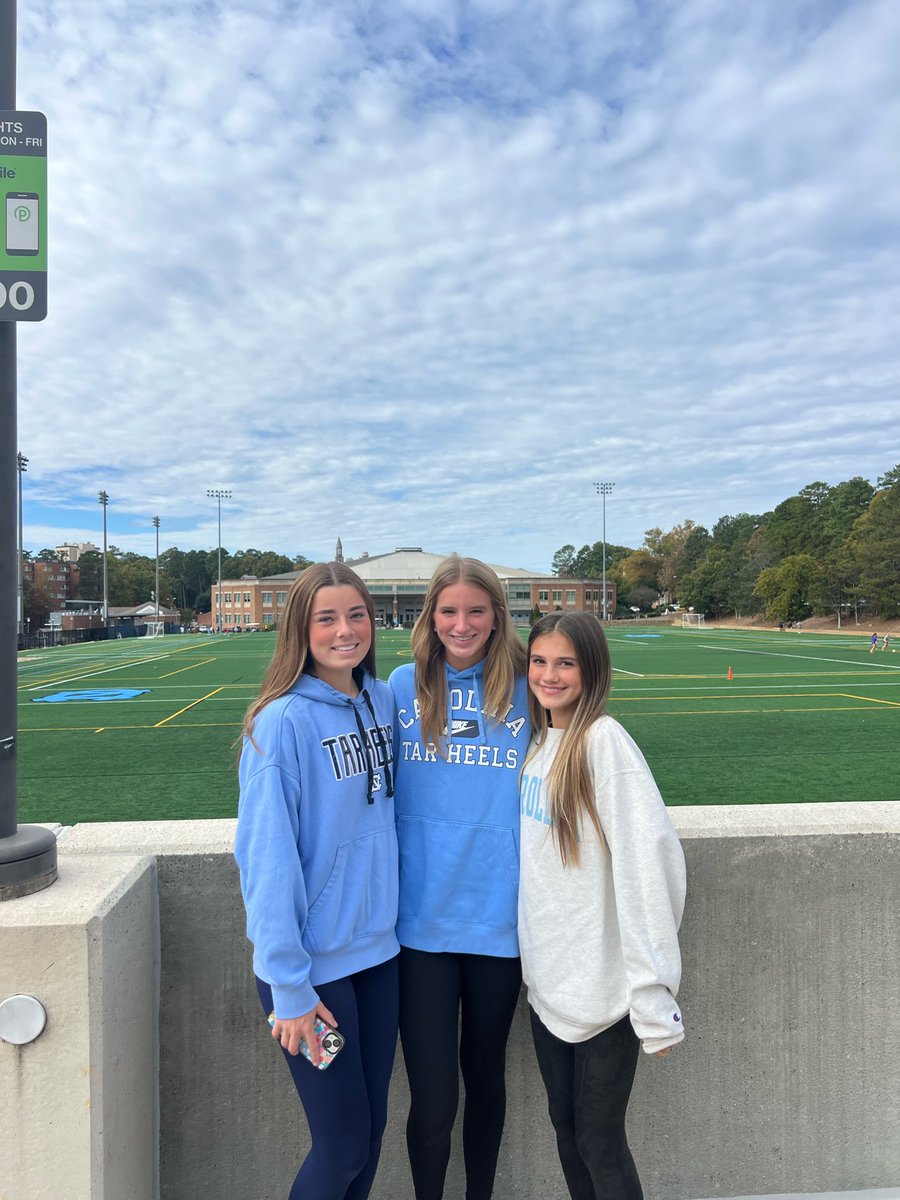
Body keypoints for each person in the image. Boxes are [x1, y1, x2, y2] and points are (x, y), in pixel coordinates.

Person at [234, 562, 399, 1200]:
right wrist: (289, 986)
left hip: (380, 956)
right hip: (311, 971)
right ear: (300, 630)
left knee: (372, 1131)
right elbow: (265, 858)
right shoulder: (281, 723)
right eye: (325, 618)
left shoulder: (380, 699)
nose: (344, 630)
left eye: (355, 614)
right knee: (341, 1144)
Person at [518, 612, 686, 1200]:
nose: (549, 674)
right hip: (549, 984)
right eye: (540, 661)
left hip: (607, 991)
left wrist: (652, 990)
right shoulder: (540, 742)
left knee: (599, 1138)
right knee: (566, 1130)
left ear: (591, 671)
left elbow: (650, 864)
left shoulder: (603, 743)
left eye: (565, 662)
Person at [390, 555, 530, 1200]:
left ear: (498, 616)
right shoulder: (398, 687)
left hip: (501, 922)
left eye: (477, 610)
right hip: (419, 928)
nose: (463, 623)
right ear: (431, 618)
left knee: (487, 1083)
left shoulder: (533, 689)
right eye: (449, 610)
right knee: (434, 1100)